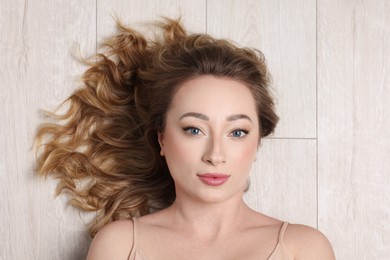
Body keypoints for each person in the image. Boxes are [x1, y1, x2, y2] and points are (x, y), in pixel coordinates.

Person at [35, 18, 335, 259]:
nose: (215, 154)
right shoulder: (119, 246)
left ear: (256, 143)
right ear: (162, 139)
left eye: (237, 132)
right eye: (194, 130)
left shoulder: (303, 248)